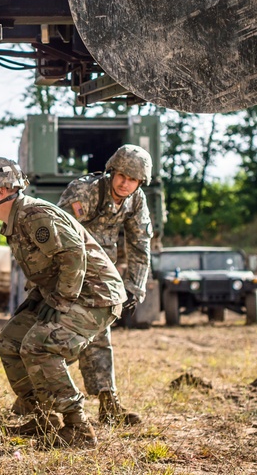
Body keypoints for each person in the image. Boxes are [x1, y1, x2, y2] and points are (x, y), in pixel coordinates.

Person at [0, 157, 126, 448]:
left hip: (96, 296)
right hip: (68, 293)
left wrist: (60, 300)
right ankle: (44, 419)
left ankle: (78, 426)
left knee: (39, 345)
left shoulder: (34, 215)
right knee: (11, 342)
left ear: (1, 191)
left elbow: (73, 255)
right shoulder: (15, 220)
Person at [57, 144, 153, 425]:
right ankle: (36, 402)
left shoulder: (136, 200)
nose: (125, 184)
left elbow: (139, 244)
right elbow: (59, 238)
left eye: (133, 180)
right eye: (122, 175)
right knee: (55, 340)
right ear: (112, 170)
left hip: (101, 276)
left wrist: (135, 286)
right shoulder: (85, 191)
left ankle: (108, 403)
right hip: (68, 272)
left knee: (100, 336)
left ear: (140, 182)